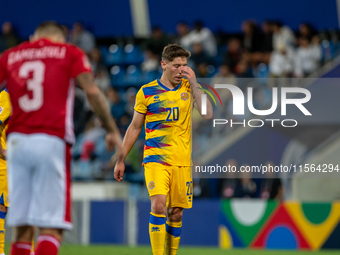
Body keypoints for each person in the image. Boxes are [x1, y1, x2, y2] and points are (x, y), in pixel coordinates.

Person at [0, 21, 122, 255]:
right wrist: (112, 129)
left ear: (34, 37)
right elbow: (92, 90)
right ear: (62, 38)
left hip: (16, 145)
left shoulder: (11, 55)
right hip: (50, 139)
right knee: (51, 228)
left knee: (22, 228)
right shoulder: (69, 52)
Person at [114, 44, 212, 255]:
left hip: (182, 161)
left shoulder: (188, 88)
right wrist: (120, 159)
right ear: (164, 64)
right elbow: (134, 127)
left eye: (184, 66)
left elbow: (207, 113)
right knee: (159, 205)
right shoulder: (147, 92)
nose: (181, 70)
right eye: (176, 66)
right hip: (155, 159)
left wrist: (194, 83)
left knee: (176, 214)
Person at [0, 89, 36, 255]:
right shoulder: (6, 96)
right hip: (5, 164)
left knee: (28, 208)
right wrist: (3, 151)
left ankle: (30, 251)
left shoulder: (29, 97)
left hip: (24, 162)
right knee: (2, 206)